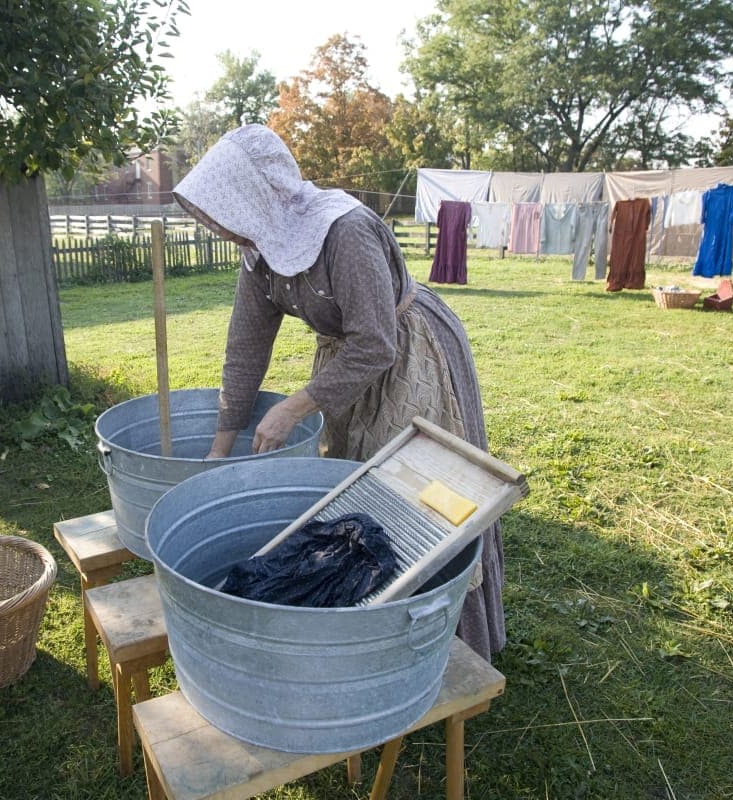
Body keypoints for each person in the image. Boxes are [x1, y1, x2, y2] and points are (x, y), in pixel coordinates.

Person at [172, 123, 506, 662]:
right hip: (346, 360)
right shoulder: (260, 250)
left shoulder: (343, 231)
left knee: (417, 493)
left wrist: (294, 406)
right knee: (357, 481)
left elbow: (376, 344)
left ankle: (444, 642)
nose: (226, 227)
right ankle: (364, 626)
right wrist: (220, 442)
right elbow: (246, 346)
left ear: (257, 193)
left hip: (407, 347)